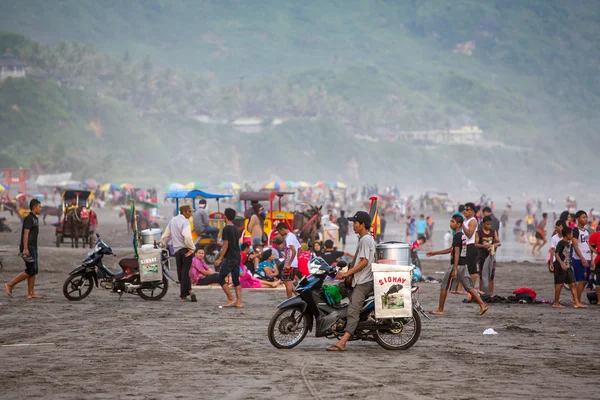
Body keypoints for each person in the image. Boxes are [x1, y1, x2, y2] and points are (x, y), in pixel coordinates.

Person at [327, 211, 376, 352]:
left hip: (364, 283)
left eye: (355, 223)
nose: (353, 225)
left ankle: (342, 342)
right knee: (336, 290)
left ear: (362, 225)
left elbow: (365, 262)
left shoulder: (366, 239)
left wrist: (348, 273)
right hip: (357, 280)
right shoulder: (363, 239)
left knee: (353, 309)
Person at [426, 214, 488, 316]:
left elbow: (457, 253)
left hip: (457, 265)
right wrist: (435, 253)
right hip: (462, 265)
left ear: (459, 224)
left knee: (444, 286)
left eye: (453, 222)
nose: (450, 223)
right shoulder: (461, 235)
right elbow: (452, 249)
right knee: (468, 287)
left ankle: (440, 309)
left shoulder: (457, 236)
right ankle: (483, 305)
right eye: (450, 221)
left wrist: (454, 268)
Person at [5, 199, 43, 299]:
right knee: (30, 269)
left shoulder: (36, 218)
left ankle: (31, 293)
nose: (40, 208)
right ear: (34, 207)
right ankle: (10, 285)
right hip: (28, 247)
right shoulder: (29, 218)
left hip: (33, 246)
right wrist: (25, 248)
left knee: (34, 270)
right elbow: (26, 233)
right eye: (39, 206)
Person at [160, 205, 195, 301]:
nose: (191, 213)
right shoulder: (185, 222)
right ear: (185, 211)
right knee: (184, 273)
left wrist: (162, 244)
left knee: (181, 272)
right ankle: (184, 295)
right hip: (185, 249)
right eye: (190, 211)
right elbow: (187, 237)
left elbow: (166, 235)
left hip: (177, 251)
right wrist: (191, 249)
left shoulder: (173, 220)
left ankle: (189, 291)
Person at [552, 227, 587, 308]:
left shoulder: (569, 243)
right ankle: (556, 303)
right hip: (560, 266)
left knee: (573, 283)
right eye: (571, 234)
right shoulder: (561, 243)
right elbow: (556, 253)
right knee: (559, 284)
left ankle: (576, 302)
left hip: (568, 266)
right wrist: (561, 263)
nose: (572, 235)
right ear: (567, 234)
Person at [214, 208, 243, 308]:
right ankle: (239, 302)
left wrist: (220, 258)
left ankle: (231, 298)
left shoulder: (226, 229)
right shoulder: (236, 228)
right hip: (237, 256)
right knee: (236, 279)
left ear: (225, 217)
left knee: (220, 277)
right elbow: (233, 243)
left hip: (230, 257)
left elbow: (226, 246)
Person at [475, 216, 501, 295]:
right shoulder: (478, 233)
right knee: (482, 275)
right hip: (482, 256)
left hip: (491, 256)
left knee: (491, 275)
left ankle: (491, 293)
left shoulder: (493, 232)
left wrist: (493, 245)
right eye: (487, 224)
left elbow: (498, 242)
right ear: (483, 223)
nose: (489, 226)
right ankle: (482, 292)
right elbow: (476, 244)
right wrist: (483, 246)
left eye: (490, 224)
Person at [276, 222, 301, 298]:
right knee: (287, 282)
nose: (280, 234)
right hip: (293, 263)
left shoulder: (289, 237)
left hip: (290, 264)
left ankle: (289, 300)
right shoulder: (293, 236)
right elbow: (299, 248)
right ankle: (298, 296)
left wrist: (289, 263)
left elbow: (294, 250)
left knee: (287, 282)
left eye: (279, 231)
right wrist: (295, 259)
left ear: (282, 229)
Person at [571, 210, 591, 303]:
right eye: (583, 217)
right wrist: (582, 258)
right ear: (578, 219)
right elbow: (575, 245)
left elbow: (588, 244)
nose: (586, 219)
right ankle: (576, 300)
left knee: (586, 280)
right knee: (581, 280)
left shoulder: (586, 231)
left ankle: (577, 299)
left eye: (586, 217)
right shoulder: (575, 230)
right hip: (579, 258)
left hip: (588, 258)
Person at [588, 230, 600, 304]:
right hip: (599, 261)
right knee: (598, 280)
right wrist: (591, 261)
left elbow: (589, 247)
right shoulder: (595, 235)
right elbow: (589, 247)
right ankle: (599, 300)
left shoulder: (594, 235)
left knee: (598, 280)